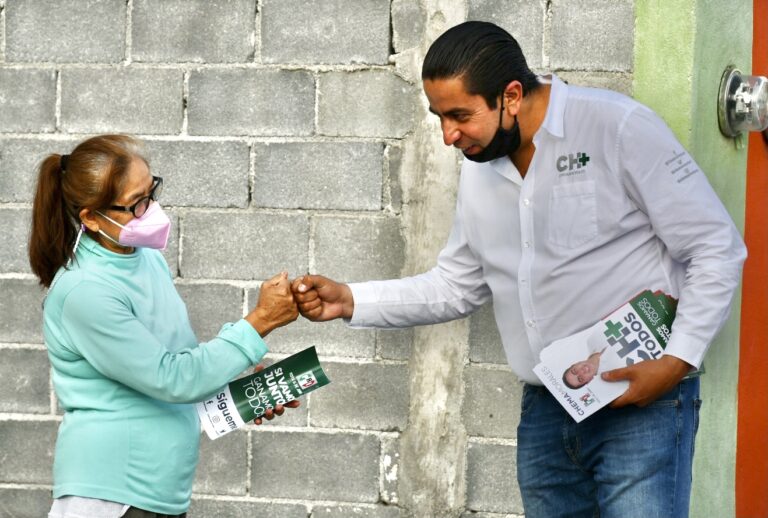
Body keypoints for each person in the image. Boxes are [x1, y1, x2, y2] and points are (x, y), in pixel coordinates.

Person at [290, 21, 747, 518]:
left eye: (460, 115)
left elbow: (714, 247)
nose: (448, 135)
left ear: (511, 95)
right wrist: (350, 300)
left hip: (640, 404)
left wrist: (677, 361)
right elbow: (456, 285)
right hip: (546, 413)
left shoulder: (617, 127)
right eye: (439, 117)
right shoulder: (480, 167)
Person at [29, 135, 299, 518]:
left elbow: (176, 364)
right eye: (135, 204)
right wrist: (260, 322)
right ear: (89, 218)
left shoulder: (145, 259)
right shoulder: (84, 292)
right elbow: (171, 379)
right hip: (113, 496)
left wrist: (240, 391)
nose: (150, 209)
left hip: (159, 493)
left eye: (150, 191)